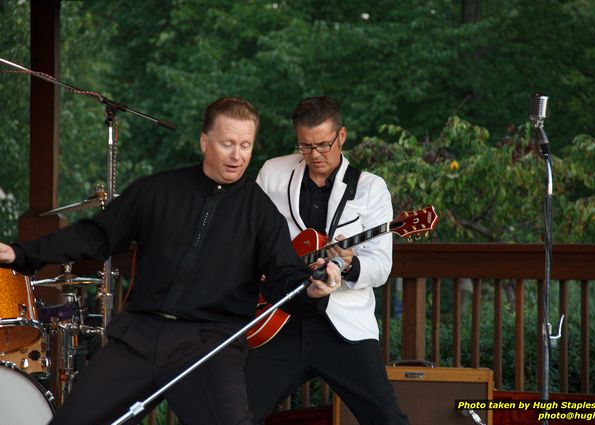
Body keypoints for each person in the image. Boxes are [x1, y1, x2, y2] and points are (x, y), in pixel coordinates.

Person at [0, 96, 342, 425]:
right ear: (204, 142)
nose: (237, 156)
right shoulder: (158, 191)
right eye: (227, 144)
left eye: (245, 145)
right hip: (140, 336)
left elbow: (284, 274)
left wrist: (310, 291)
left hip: (210, 344)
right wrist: (21, 254)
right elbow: (96, 235)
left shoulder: (260, 213)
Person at [244, 96, 409, 425]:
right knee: (232, 415)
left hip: (343, 326)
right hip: (279, 319)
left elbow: (380, 266)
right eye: (305, 146)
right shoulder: (273, 172)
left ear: (342, 136)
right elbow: (247, 237)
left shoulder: (371, 188)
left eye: (323, 145)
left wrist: (348, 264)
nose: (315, 155)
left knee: (386, 419)